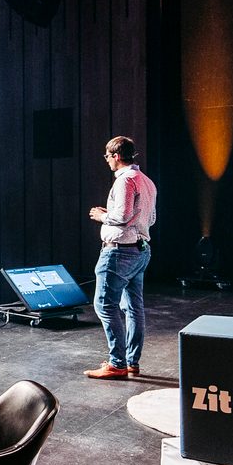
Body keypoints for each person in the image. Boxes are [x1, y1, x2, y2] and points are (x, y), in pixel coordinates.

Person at [86, 135, 157, 379]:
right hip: (140, 250)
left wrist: (102, 216)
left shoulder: (125, 181)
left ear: (116, 156)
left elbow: (124, 216)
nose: (106, 160)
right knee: (134, 308)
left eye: (107, 156)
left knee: (105, 305)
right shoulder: (146, 181)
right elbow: (150, 219)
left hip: (119, 252)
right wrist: (115, 214)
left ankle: (117, 363)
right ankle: (131, 363)